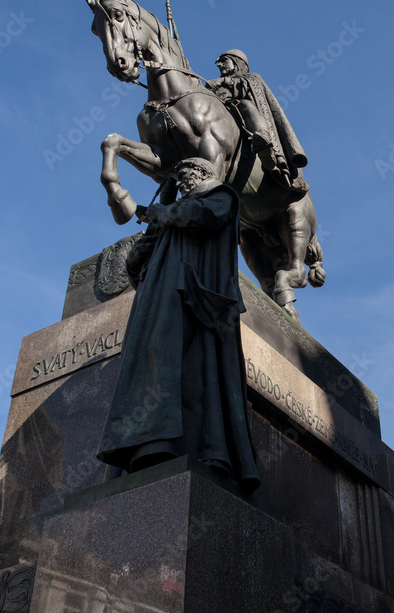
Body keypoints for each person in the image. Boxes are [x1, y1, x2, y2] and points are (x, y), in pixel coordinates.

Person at [97, 158, 260, 491]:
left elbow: (204, 217)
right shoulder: (174, 212)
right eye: (180, 177)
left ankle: (181, 443)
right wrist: (143, 245)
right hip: (158, 296)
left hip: (191, 298)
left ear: (203, 174)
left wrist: (159, 212)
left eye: (187, 176)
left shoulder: (221, 196)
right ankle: (148, 443)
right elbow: (138, 264)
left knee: (177, 363)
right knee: (152, 359)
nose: (183, 182)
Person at [207, 49, 309, 191]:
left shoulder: (251, 78)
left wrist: (224, 82)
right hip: (219, 119)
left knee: (245, 105)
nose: (219, 65)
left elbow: (243, 88)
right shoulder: (214, 86)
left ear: (236, 63)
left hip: (241, 114)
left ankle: (263, 140)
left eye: (224, 61)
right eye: (219, 62)